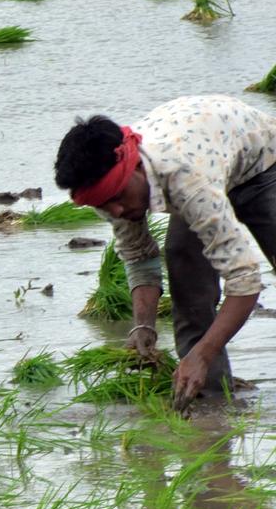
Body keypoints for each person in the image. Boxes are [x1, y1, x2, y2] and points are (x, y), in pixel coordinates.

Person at [54, 95, 276, 408]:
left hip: (261, 161)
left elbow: (245, 281)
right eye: (103, 205)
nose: (115, 211)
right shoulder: (110, 194)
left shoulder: (187, 179)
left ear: (137, 168)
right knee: (186, 272)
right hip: (205, 156)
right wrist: (143, 325)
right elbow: (139, 255)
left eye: (117, 197)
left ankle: (199, 365)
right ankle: (210, 404)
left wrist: (202, 354)